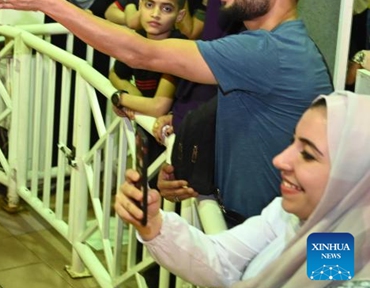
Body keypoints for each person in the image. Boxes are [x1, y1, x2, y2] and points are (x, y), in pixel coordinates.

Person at [0, 0, 333, 219]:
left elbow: (141, 53)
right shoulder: (266, 45)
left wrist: (48, 2)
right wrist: (192, 170)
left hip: (275, 228)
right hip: (253, 222)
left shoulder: (269, 51)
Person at [116, 92, 370, 287]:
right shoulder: (305, 223)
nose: (280, 160)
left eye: (308, 155)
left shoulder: (345, 254)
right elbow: (222, 260)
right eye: (292, 142)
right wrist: (153, 225)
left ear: (355, 175)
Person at [109, 0, 187, 118]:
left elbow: (157, 107)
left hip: (174, 134)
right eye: (149, 5)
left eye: (167, 9)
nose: (155, 14)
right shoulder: (138, 38)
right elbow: (114, 74)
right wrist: (133, 94)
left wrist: (121, 99)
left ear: (180, 15)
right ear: (140, 5)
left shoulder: (179, 48)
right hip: (149, 130)